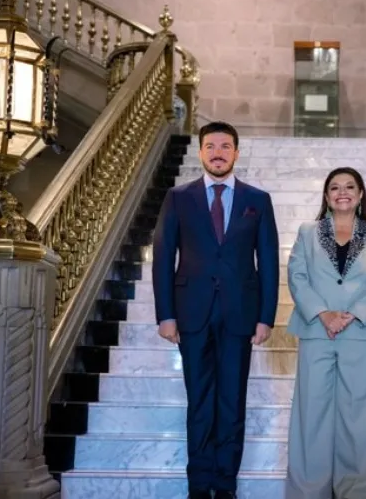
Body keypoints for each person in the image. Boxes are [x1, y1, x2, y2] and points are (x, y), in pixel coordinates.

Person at [152, 121, 280, 499]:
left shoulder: (258, 200)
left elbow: (269, 261)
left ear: (236, 153)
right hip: (191, 313)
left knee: (231, 402)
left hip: (240, 315)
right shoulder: (178, 197)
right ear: (201, 151)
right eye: (211, 146)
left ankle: (225, 485)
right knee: (199, 402)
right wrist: (165, 314)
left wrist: (265, 316)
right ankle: (198, 484)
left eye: (226, 146)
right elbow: (163, 257)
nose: (218, 152)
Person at [284, 167, 366, 499]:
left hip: (362, 334)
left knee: (362, 420)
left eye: (349, 186)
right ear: (326, 196)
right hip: (318, 332)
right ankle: (309, 491)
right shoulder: (307, 232)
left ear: (361, 195)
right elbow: (297, 276)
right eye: (334, 187)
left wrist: (352, 315)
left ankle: (359, 491)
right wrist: (324, 314)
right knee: (311, 417)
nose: (342, 192)